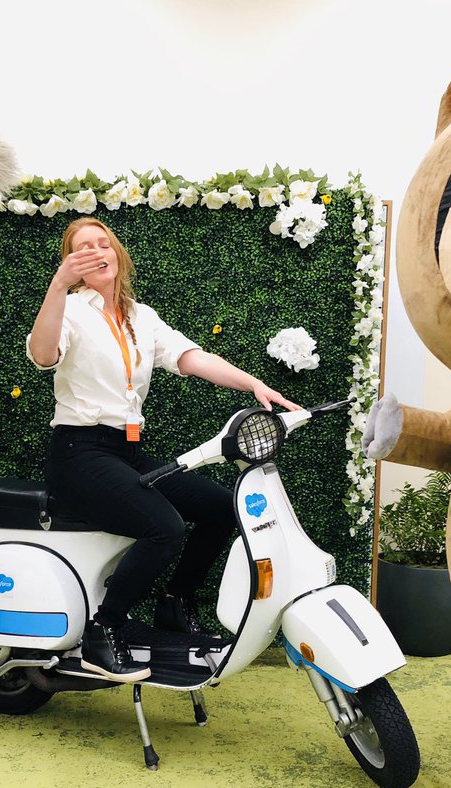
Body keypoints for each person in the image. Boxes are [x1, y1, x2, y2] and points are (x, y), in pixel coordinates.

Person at [27, 216, 300, 683]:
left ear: (116, 253)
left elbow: (192, 358)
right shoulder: (69, 310)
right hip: (78, 454)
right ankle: (103, 630)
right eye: (81, 249)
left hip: (126, 451)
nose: (95, 252)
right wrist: (58, 286)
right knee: (164, 528)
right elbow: (43, 353)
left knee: (221, 508)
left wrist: (255, 385)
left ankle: (174, 604)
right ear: (72, 263)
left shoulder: (140, 316)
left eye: (102, 243)